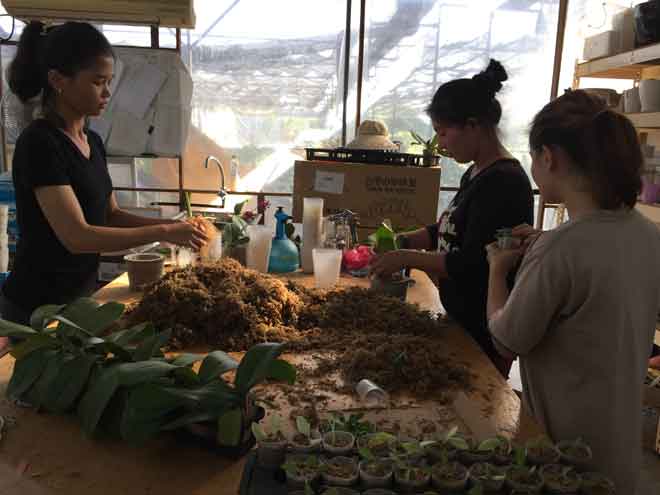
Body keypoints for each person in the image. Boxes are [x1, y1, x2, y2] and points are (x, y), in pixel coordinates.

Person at [486, 89, 660, 492]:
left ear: (550, 157)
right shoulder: (648, 235)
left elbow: (504, 340)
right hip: (619, 450)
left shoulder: (559, 248)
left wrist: (498, 270)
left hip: (563, 455)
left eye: (533, 157)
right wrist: (545, 251)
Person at [0, 21, 209, 328]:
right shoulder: (40, 143)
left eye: (109, 81)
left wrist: (173, 224)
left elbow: (110, 215)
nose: (107, 92)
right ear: (58, 80)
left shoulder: (92, 140)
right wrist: (163, 234)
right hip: (36, 308)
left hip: (78, 299)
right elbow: (77, 236)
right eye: (98, 82)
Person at [371, 59, 533, 376]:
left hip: (485, 329)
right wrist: (405, 240)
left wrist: (408, 257)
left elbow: (474, 262)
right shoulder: (476, 172)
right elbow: (450, 229)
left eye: (444, 133)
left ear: (473, 126)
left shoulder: (504, 182)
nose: (441, 144)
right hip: (461, 317)